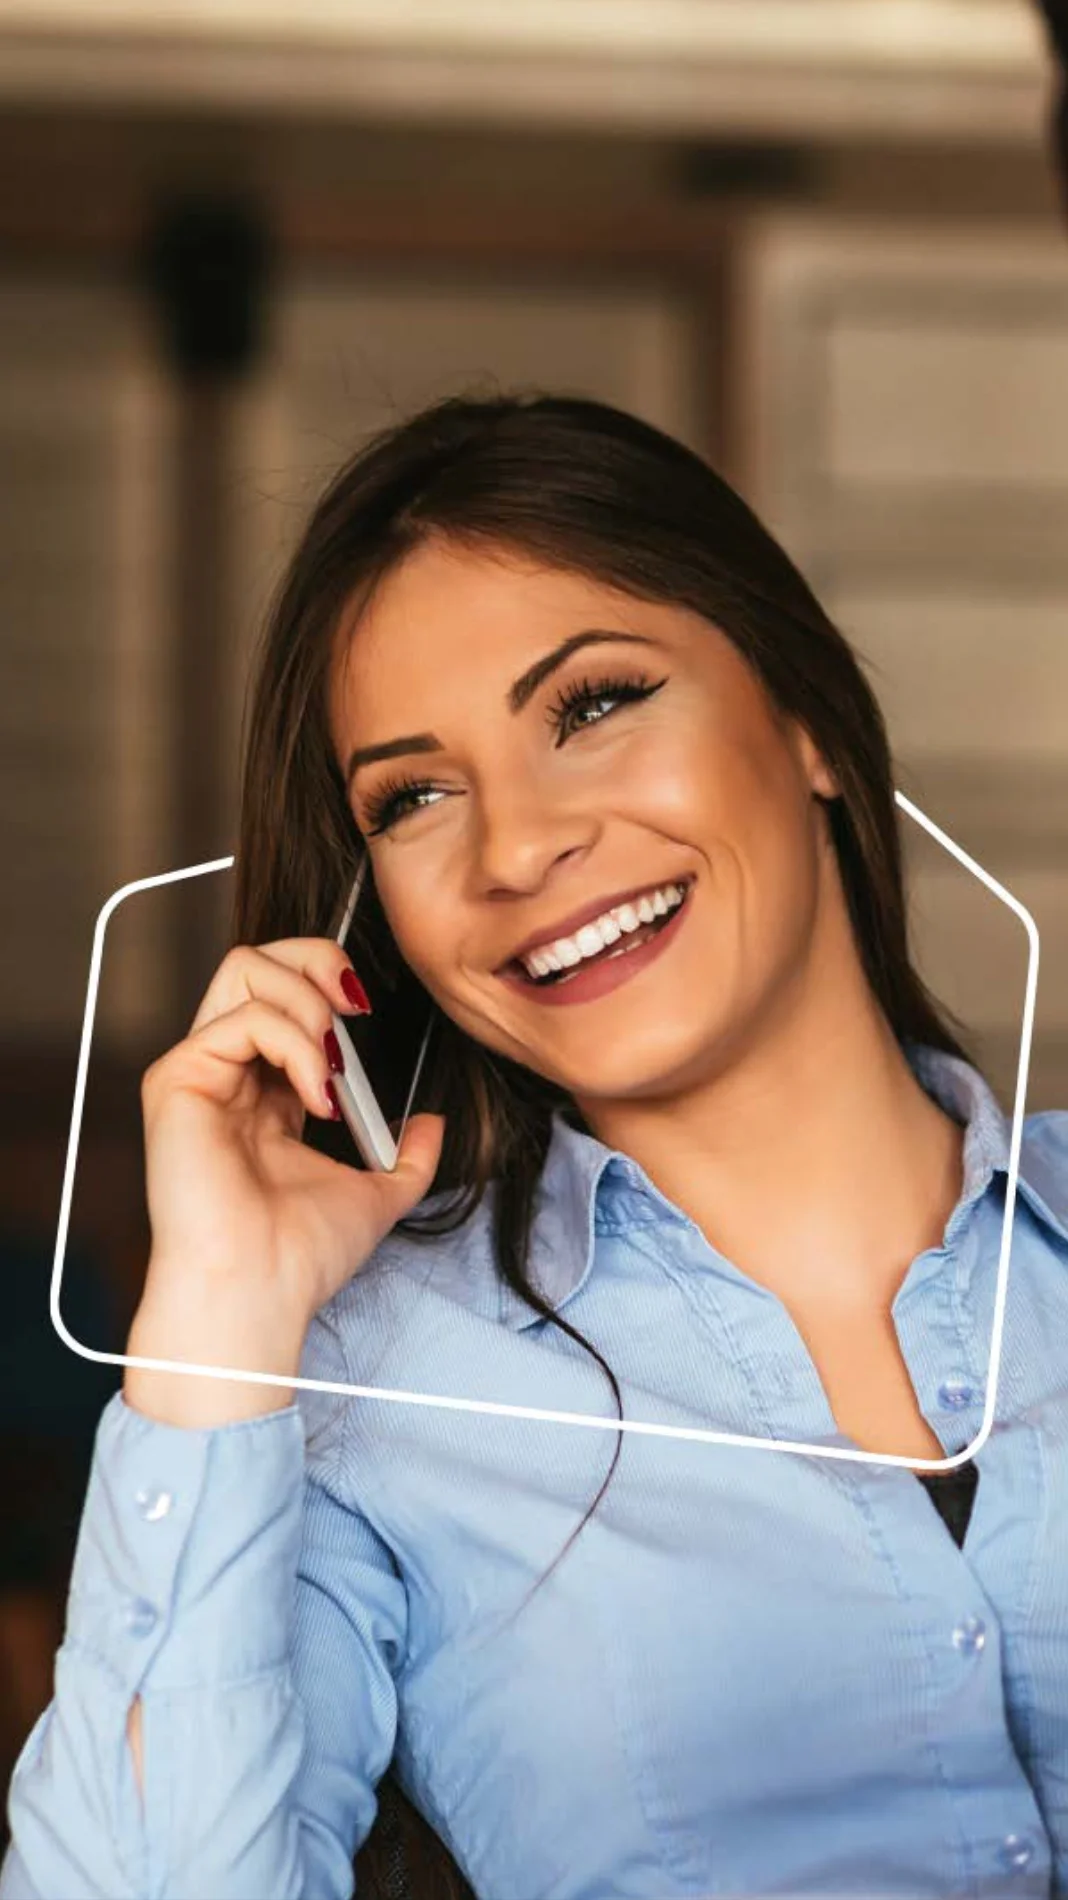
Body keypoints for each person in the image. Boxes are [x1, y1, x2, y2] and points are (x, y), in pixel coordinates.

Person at [2, 392, 1067, 1900]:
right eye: (416, 795)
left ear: (809, 721)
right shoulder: (366, 1390)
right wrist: (218, 1325)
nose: (513, 850)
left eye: (593, 704)